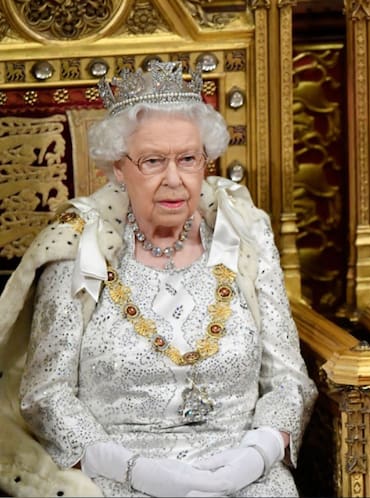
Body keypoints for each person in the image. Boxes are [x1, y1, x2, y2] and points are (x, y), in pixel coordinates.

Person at [0, 60, 317, 497]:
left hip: (247, 478)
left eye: (188, 159)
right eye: (152, 161)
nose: (175, 180)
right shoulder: (77, 248)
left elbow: (288, 378)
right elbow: (46, 394)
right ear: (116, 168)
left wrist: (257, 454)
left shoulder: (244, 234)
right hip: (117, 480)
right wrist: (132, 470)